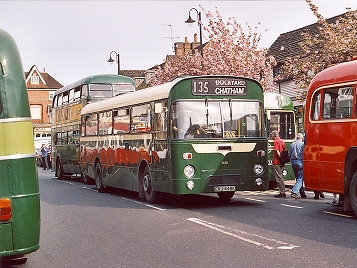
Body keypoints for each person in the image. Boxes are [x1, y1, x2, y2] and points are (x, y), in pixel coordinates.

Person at [289, 133, 307, 199]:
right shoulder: (303, 145)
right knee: (300, 178)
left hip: (293, 161)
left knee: (298, 178)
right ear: (302, 138)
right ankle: (294, 191)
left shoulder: (292, 144)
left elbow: (289, 154)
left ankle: (302, 193)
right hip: (300, 161)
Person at [270, 130, 286, 198]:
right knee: (280, 176)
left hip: (277, 161)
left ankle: (282, 192)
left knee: (278, 177)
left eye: (271, 135)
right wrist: (283, 161)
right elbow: (284, 150)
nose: (271, 136)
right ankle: (282, 191)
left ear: (274, 135)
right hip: (281, 161)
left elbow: (277, 152)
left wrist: (280, 159)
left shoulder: (276, 141)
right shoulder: (282, 141)